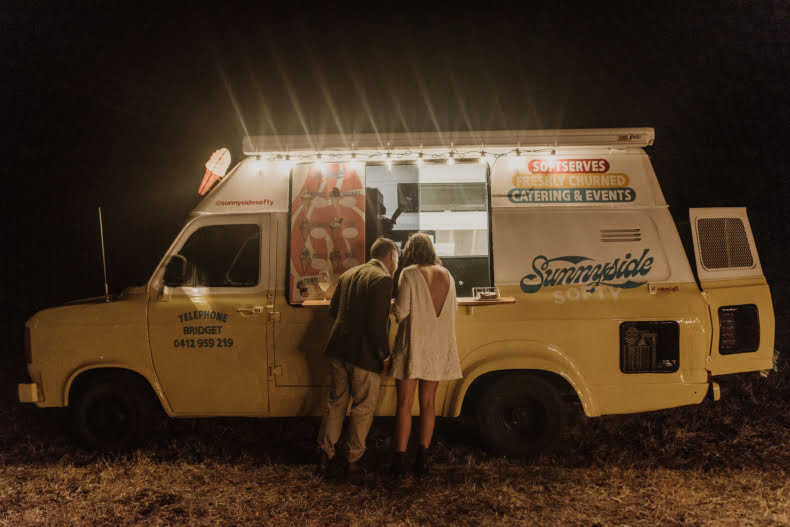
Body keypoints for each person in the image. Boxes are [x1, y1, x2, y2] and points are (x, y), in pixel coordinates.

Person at [316, 237, 399, 480]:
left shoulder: (348, 274)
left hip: (338, 349)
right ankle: (353, 460)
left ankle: (325, 455)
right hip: (364, 355)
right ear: (391, 255)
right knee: (363, 408)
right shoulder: (383, 279)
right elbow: (377, 326)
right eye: (397, 258)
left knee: (336, 402)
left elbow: (333, 311)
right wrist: (384, 355)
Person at [391, 232, 462, 475]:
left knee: (404, 403)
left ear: (410, 251)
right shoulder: (448, 275)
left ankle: (399, 461)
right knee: (429, 403)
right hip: (438, 346)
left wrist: (392, 303)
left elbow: (401, 311)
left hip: (413, 345)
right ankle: (422, 459)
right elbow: (452, 309)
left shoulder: (409, 273)